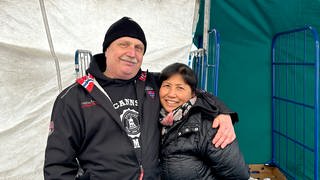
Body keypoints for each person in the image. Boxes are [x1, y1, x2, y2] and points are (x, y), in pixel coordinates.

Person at [44, 17, 237, 179]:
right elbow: (58, 165)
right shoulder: (74, 97)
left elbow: (195, 92)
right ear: (107, 49)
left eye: (139, 48)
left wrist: (222, 112)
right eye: (124, 44)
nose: (132, 53)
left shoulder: (155, 84)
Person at [159, 63, 249, 179]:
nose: (171, 94)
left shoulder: (209, 127)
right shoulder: (155, 117)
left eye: (180, 88)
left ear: (193, 93)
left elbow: (238, 176)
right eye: (167, 86)